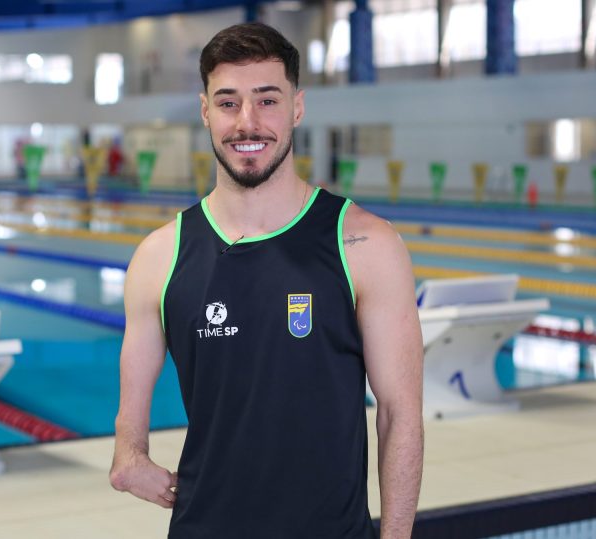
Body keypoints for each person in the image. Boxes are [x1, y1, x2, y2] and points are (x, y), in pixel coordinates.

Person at [110, 22, 423, 538]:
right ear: (205, 110)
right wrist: (130, 453)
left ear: (297, 107)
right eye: (228, 103)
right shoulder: (160, 257)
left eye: (267, 100)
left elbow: (399, 414)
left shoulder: (365, 245)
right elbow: (129, 419)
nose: (248, 123)